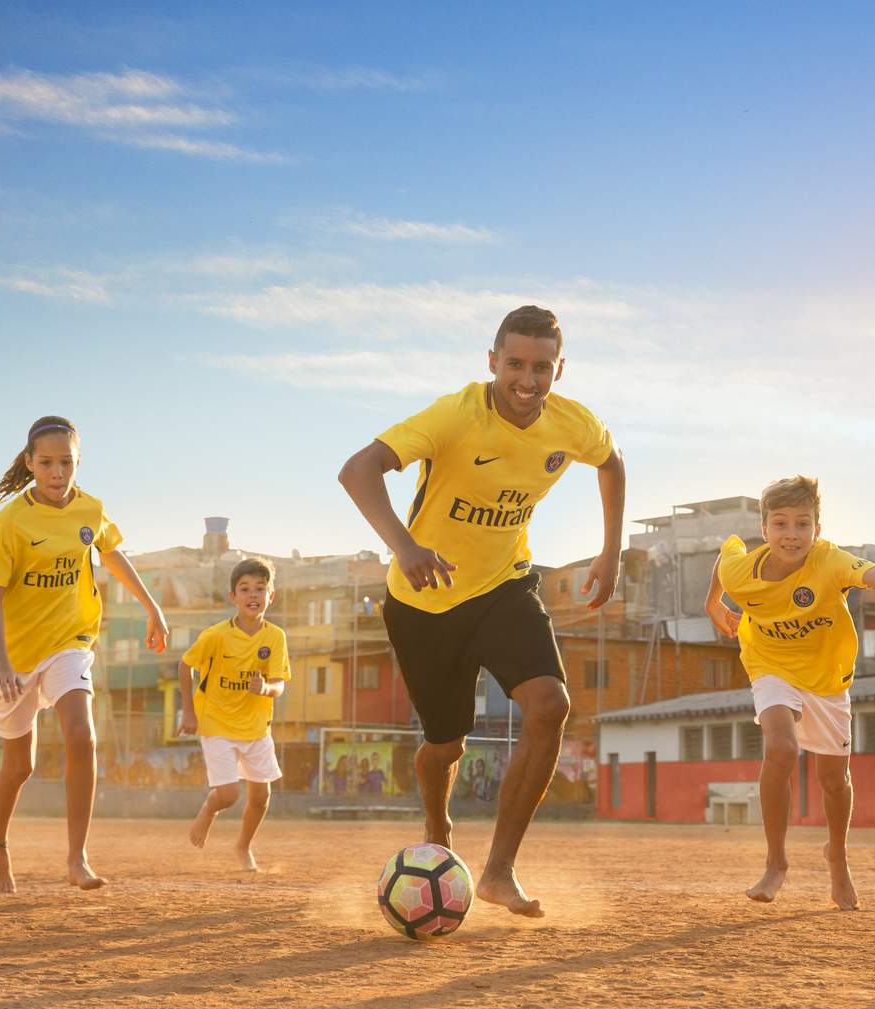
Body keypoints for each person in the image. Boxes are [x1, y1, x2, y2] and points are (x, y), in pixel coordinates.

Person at [338, 304, 626, 917]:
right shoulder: (454, 415)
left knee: (551, 704)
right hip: (422, 603)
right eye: (515, 364)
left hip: (504, 587)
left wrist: (610, 550)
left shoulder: (573, 425)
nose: (527, 379)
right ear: (492, 361)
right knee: (444, 745)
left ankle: (498, 871)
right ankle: (438, 827)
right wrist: (406, 547)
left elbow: (612, 461)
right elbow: (358, 470)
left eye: (541, 367)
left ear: (559, 370)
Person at [704, 476, 875, 910]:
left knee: (834, 782)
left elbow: (870, 572)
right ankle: (775, 862)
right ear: (764, 529)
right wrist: (713, 605)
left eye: (802, 524)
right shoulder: (743, 571)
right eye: (780, 524)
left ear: (817, 528)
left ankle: (837, 856)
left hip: (827, 677)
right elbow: (724, 561)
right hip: (769, 665)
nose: (791, 534)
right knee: (781, 749)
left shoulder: (828, 560)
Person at [0, 416, 166, 893]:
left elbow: (113, 555)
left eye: (67, 462)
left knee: (82, 737)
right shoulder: (11, 522)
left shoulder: (91, 510)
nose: (58, 472)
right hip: (14, 655)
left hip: (72, 641)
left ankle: (76, 857)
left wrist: (153, 608)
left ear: (77, 463)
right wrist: (0, 661)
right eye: (47, 463)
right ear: (29, 464)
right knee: (20, 767)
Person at [177, 557, 290, 871]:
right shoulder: (216, 635)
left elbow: (279, 685)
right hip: (217, 723)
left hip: (256, 727)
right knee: (228, 794)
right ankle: (209, 810)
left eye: (260, 588)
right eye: (245, 589)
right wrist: (188, 712)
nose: (253, 595)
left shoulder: (275, 637)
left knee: (261, 797)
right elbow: (185, 666)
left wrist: (266, 688)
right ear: (233, 597)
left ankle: (243, 846)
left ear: (271, 596)